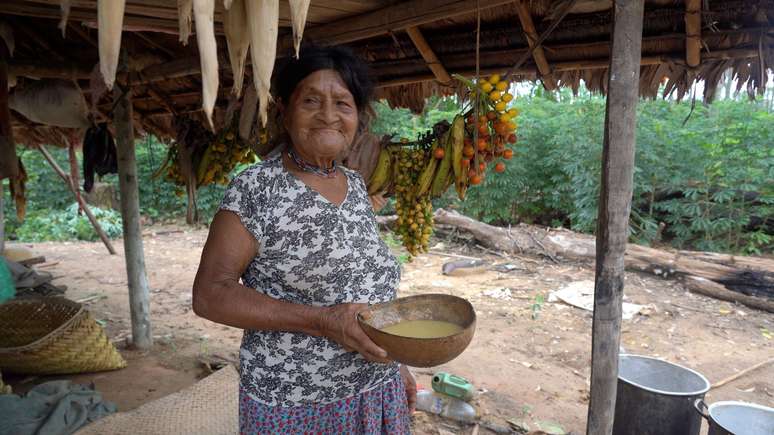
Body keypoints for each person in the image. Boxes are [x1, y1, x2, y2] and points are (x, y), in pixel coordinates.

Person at [192, 46, 415, 434]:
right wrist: (324, 321)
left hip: (375, 388)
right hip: (297, 406)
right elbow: (210, 294)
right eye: (311, 100)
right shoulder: (256, 188)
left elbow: (365, 283)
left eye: (342, 103)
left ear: (357, 117)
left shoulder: (357, 185)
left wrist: (400, 362)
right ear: (284, 110)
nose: (328, 115)